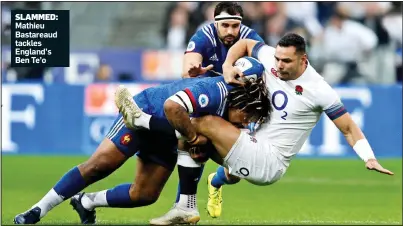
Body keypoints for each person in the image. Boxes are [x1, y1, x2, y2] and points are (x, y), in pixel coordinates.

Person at [119, 33, 394, 220]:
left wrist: (368, 157)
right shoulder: (272, 58)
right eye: (277, 59)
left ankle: (144, 122)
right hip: (250, 139)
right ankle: (210, 186)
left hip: (269, 161)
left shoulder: (320, 90)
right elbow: (247, 44)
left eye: (286, 61)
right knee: (203, 143)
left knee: (202, 124)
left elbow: (348, 128)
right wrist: (227, 66)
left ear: (304, 61)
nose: (279, 65)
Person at [13, 65, 270, 225]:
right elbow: (172, 108)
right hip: (150, 108)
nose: (245, 124)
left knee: (144, 195)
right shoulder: (215, 91)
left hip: (170, 135)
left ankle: (87, 202)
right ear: (240, 104)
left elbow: (221, 156)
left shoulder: (232, 115)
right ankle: (37, 210)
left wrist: (227, 168)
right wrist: (193, 140)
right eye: (247, 117)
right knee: (99, 166)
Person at [150, 2, 266, 224]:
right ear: (216, 24)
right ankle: (184, 208)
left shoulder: (251, 39)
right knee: (194, 144)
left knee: (239, 171)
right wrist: (195, 71)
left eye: (235, 26)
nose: (231, 31)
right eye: (225, 26)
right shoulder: (204, 35)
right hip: (209, 101)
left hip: (236, 108)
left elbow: (261, 76)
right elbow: (188, 69)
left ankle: (216, 182)